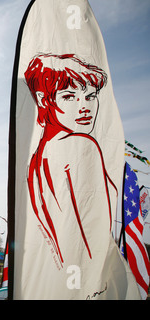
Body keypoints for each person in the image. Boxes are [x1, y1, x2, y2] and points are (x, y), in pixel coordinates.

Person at [25, 53, 115, 266]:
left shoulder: (39, 155)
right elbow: (95, 237)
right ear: (42, 98)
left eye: (91, 96)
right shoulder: (81, 145)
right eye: (69, 96)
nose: (84, 106)